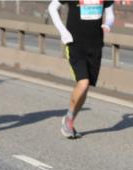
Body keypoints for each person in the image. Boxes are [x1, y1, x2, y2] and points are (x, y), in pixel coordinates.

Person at [48, 0, 115, 139]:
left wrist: (107, 24)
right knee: (83, 82)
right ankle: (68, 119)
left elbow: (110, 13)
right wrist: (63, 31)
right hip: (74, 43)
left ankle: (70, 120)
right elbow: (52, 8)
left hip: (95, 45)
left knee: (86, 86)